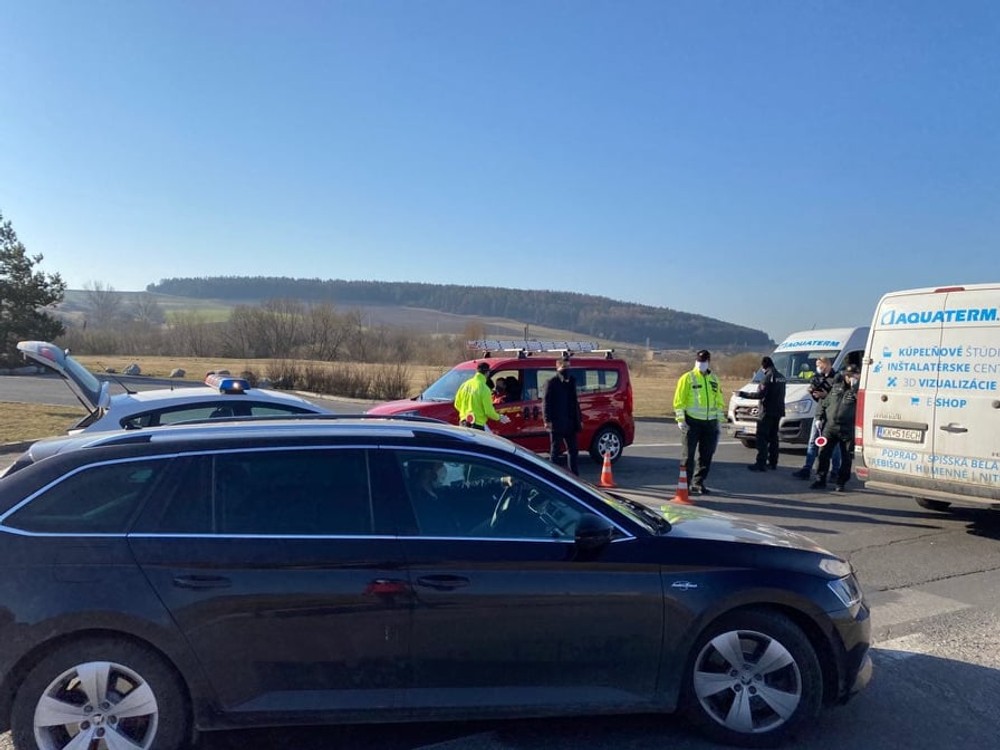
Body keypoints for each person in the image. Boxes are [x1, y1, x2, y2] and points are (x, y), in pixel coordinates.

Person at [673, 349, 726, 495]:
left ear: (709, 362)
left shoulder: (714, 379)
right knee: (688, 455)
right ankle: (685, 484)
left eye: (704, 361)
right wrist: (681, 419)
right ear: (696, 361)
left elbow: (719, 401)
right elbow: (679, 401)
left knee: (706, 454)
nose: (702, 364)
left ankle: (698, 482)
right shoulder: (687, 378)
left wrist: (719, 420)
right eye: (700, 361)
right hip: (692, 422)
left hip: (710, 423)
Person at [811, 363, 861, 492]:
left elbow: (862, 406)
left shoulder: (859, 392)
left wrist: (855, 389)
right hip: (830, 427)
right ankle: (820, 479)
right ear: (845, 376)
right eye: (850, 376)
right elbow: (824, 403)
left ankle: (841, 482)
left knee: (846, 457)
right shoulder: (836, 388)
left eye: (855, 376)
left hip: (847, 429)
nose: (852, 378)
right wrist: (819, 417)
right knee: (823, 454)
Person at [792, 357, 841, 479]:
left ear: (827, 364)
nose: (818, 367)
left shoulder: (837, 378)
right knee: (813, 442)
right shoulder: (817, 377)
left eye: (819, 365)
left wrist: (826, 395)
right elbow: (818, 399)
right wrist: (813, 392)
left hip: (832, 416)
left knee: (834, 445)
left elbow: (839, 397)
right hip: (819, 413)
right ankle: (807, 469)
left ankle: (835, 471)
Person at [740, 356, 786, 471]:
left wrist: (742, 394)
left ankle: (761, 463)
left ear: (763, 367)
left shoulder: (767, 378)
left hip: (767, 411)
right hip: (779, 411)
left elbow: (760, 395)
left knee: (762, 437)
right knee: (774, 438)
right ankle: (773, 462)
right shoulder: (781, 377)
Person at [543, 357, 583, 474]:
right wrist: (547, 420)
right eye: (564, 367)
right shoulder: (552, 382)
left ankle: (574, 475)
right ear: (558, 367)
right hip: (557, 422)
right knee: (555, 451)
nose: (567, 370)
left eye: (568, 367)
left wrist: (579, 418)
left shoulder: (571, 382)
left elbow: (575, 402)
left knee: (573, 450)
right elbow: (546, 403)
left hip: (570, 422)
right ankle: (553, 475)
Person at [454, 361, 510, 431]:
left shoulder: (465, 385)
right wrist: (499, 417)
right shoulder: (484, 389)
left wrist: (466, 413)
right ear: (487, 373)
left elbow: (457, 404)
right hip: (477, 426)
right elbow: (488, 411)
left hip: (463, 423)